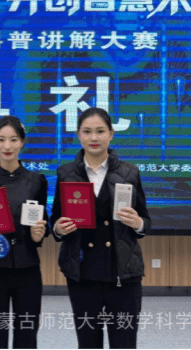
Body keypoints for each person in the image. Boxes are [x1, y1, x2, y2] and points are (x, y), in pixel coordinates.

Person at [50, 107, 151, 349]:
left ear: (111, 134)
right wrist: (59, 229)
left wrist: (138, 223)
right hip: (82, 274)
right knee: (88, 342)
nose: (93, 138)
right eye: (87, 132)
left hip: (122, 274)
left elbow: (145, 221)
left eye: (100, 131)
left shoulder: (129, 172)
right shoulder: (66, 173)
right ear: (78, 134)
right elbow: (55, 219)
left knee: (124, 342)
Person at [0, 115, 48, 349]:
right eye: (1, 139)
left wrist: (39, 234)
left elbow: (42, 222)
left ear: (22, 142)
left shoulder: (37, 181)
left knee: (27, 334)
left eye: (14, 139)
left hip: (28, 268)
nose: (7, 146)